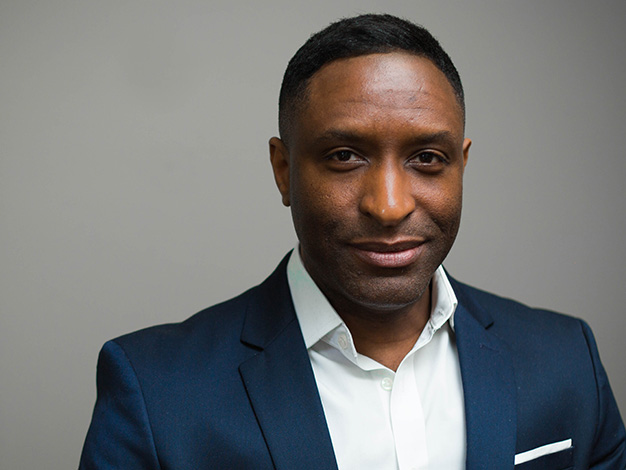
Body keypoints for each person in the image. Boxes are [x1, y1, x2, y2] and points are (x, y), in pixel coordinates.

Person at [79, 13, 625, 470]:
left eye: (427, 158)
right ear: (283, 169)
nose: (388, 206)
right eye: (345, 156)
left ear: (461, 165)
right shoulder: (156, 391)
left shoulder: (566, 361)